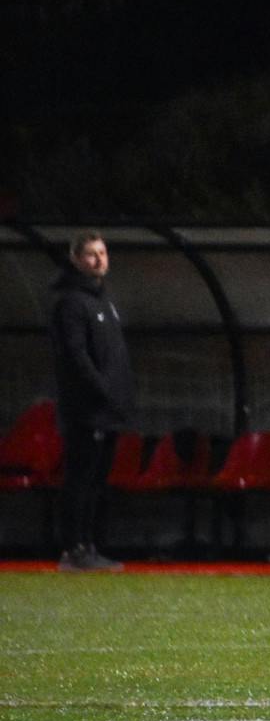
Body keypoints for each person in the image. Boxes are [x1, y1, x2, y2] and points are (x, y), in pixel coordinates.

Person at [49, 231, 134, 572]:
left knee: (97, 481)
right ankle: (74, 548)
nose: (100, 260)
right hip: (86, 410)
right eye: (91, 254)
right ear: (76, 260)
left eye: (103, 252)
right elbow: (75, 355)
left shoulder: (104, 300)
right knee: (80, 479)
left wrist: (120, 395)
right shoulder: (71, 302)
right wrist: (101, 389)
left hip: (107, 409)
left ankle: (89, 545)